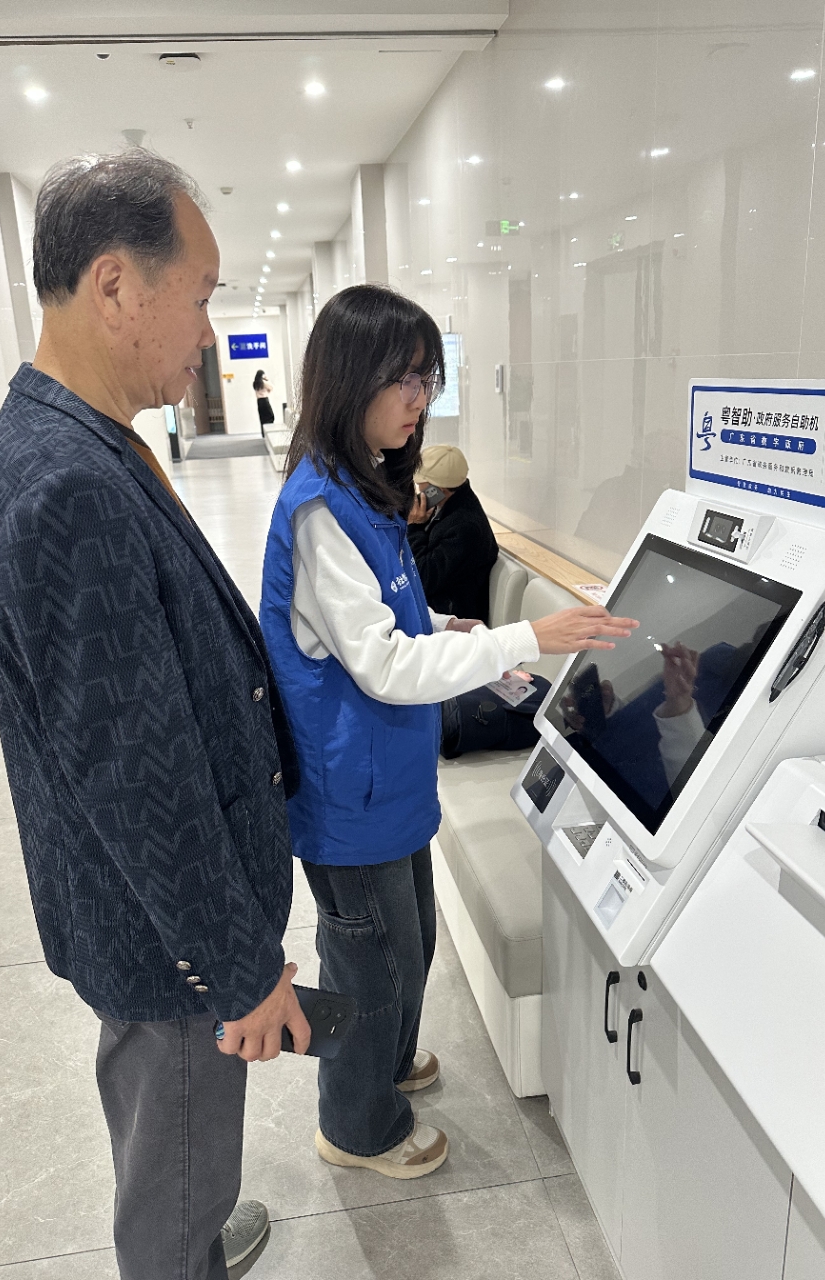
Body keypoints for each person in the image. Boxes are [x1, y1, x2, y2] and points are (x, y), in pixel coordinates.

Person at [0, 149, 310, 1280]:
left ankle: (192, 1235)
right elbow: (135, 777)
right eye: (201, 296)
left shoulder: (70, 438)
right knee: (175, 1160)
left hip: (156, 923)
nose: (208, 331)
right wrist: (240, 967)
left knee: (178, 1147)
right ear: (115, 284)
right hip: (173, 946)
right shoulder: (67, 482)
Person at [259, 284, 638, 1180]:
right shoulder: (320, 509)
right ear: (350, 378)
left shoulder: (366, 485)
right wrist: (523, 637)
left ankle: (385, 1062)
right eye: (404, 380)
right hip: (349, 796)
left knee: (410, 944)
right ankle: (357, 1125)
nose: (419, 400)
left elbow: (386, 619)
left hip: (388, 780)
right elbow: (381, 665)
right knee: (369, 964)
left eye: (428, 379)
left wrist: (446, 624)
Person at [407, 444, 499, 623]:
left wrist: (415, 527)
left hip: (452, 618)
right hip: (437, 605)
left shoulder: (465, 527)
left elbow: (423, 577)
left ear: (437, 490)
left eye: (421, 485)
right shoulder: (448, 505)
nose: (418, 489)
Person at [254, 368, 275, 433]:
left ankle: (263, 433)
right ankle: (269, 430)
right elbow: (271, 387)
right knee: (271, 416)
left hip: (259, 401)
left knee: (262, 418)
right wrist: (267, 380)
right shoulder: (264, 382)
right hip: (265, 400)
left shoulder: (255, 383)